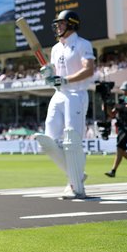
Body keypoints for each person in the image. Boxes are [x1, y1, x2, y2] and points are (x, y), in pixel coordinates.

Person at [34, 10, 95, 199]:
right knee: (47, 141)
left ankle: (76, 187)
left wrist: (66, 80)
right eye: (57, 24)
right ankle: (76, 175)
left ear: (72, 24)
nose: (58, 27)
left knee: (72, 140)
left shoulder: (83, 44)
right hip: (59, 94)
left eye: (61, 23)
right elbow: (54, 76)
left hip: (76, 94)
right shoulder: (55, 48)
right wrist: (47, 73)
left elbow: (89, 70)